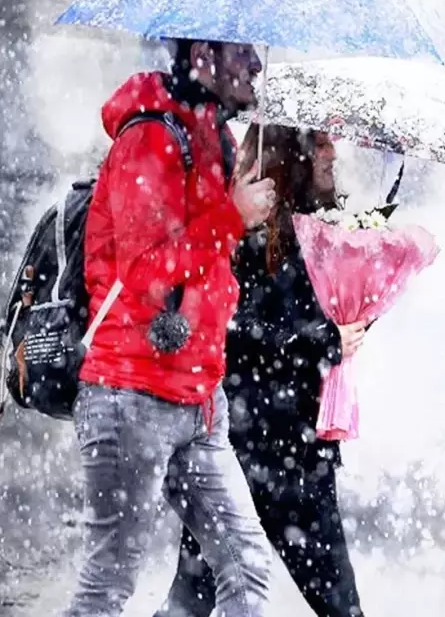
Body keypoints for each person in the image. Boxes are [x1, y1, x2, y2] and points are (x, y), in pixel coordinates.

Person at [66, 40, 277, 617]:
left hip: (199, 400)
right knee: (108, 584)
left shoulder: (217, 137)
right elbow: (145, 272)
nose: (257, 66)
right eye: (243, 52)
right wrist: (232, 215)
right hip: (130, 394)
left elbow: (214, 260)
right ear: (204, 54)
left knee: (246, 566)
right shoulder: (152, 138)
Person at [157, 125, 369, 617]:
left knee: (191, 602)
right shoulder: (241, 239)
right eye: (318, 143)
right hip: (254, 453)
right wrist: (325, 340)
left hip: (280, 452)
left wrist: (354, 319)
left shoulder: (317, 234)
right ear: (288, 157)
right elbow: (237, 336)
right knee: (192, 601)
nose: (331, 152)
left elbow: (298, 330)